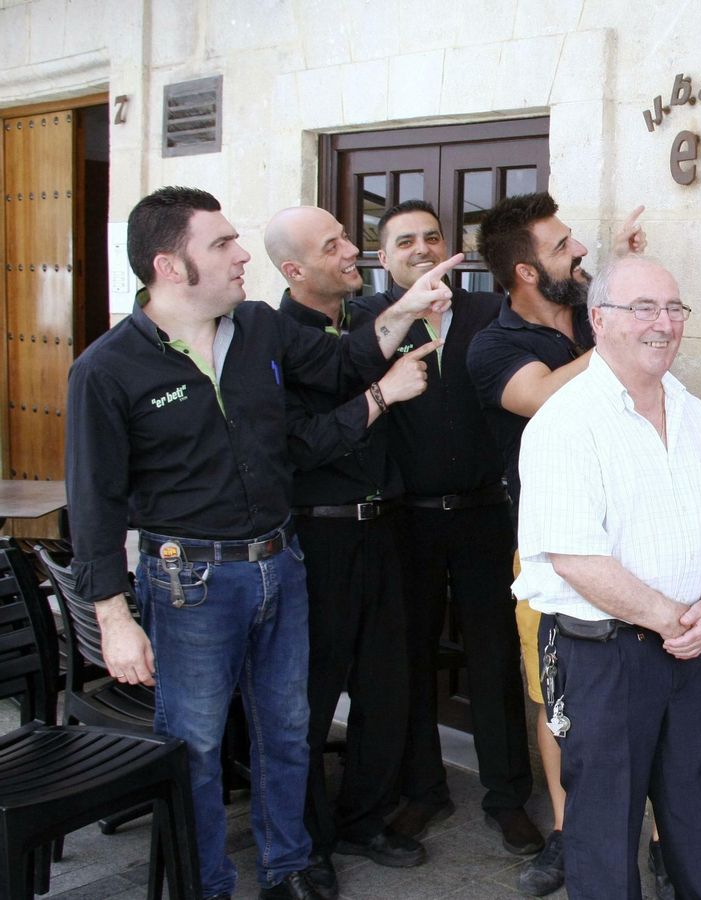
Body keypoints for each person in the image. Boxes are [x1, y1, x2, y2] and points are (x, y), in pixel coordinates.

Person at [66, 186, 456, 900]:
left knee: (285, 730)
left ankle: (286, 868)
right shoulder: (107, 368)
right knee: (196, 747)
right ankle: (207, 884)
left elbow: (343, 366)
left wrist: (405, 308)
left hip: (282, 562)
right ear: (170, 266)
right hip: (187, 583)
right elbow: (94, 503)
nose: (243, 254)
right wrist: (113, 616)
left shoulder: (256, 327)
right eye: (222, 244)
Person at [516, 255, 701, 900]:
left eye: (673, 308)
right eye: (643, 308)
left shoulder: (691, 410)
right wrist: (677, 620)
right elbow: (575, 558)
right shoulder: (566, 421)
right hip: (605, 658)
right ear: (599, 320)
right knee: (605, 837)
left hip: (692, 650)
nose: (662, 323)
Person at [467, 193, 649, 895]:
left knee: (655, 689)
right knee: (556, 696)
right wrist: (615, 331)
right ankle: (571, 836)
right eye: (562, 245)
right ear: (524, 272)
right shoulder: (494, 346)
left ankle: (664, 839)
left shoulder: (587, 309)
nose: (579, 250)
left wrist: (620, 280)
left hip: (638, 538)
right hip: (551, 552)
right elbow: (541, 395)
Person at [352, 201, 541, 856]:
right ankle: (423, 789)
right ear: (384, 258)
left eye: (432, 236)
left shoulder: (492, 313)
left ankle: (507, 797)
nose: (423, 248)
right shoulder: (370, 324)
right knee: (409, 661)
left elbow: (562, 318)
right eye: (405, 240)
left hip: (487, 514)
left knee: (494, 657)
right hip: (404, 522)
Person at [264, 205, 440, 896]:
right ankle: (306, 842)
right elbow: (298, 445)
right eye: (332, 244)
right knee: (306, 701)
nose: (350, 249)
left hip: (383, 531)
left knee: (385, 688)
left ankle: (364, 820)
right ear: (293, 269)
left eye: (345, 236)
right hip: (317, 539)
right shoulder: (270, 338)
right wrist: (381, 395)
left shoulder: (366, 317)